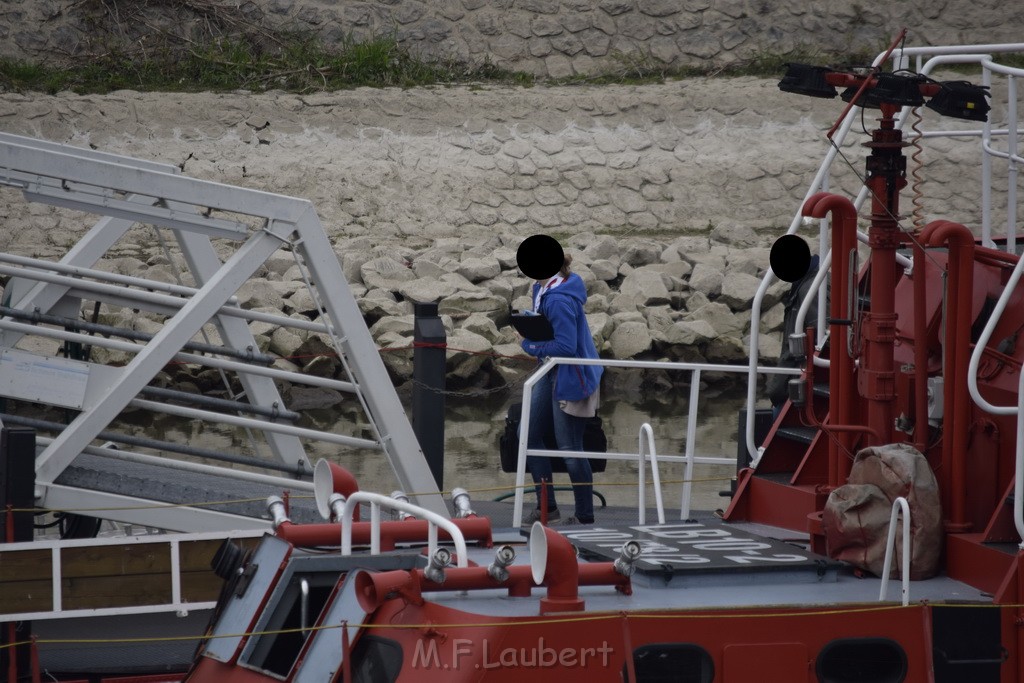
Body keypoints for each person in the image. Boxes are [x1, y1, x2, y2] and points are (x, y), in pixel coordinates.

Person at [519, 253, 603, 525]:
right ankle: (548, 508)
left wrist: (529, 345)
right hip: (549, 369)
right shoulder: (542, 289)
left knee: (570, 446)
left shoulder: (557, 299)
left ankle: (584, 515)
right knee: (527, 437)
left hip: (570, 374)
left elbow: (566, 347)